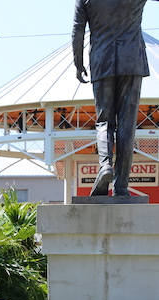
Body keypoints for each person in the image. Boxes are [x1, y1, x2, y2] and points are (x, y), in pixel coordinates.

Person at [73, 0, 157, 196]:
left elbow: (77, 29)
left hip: (103, 60)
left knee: (104, 121)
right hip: (132, 60)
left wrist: (78, 63)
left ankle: (105, 166)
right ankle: (121, 186)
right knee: (127, 125)